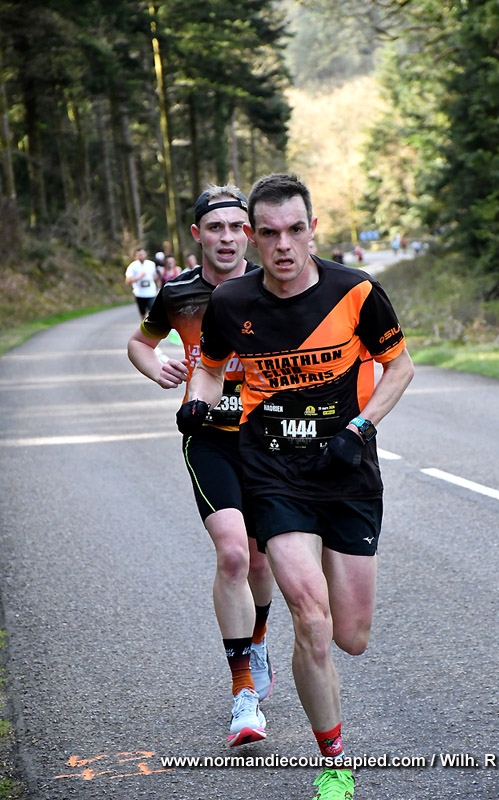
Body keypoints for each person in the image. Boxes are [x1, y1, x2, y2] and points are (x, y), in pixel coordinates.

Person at [181, 173, 414, 798]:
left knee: (350, 636)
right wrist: (198, 403)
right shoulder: (231, 303)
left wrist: (360, 427)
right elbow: (209, 371)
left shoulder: (356, 291)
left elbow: (399, 367)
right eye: (269, 233)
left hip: (347, 472)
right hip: (274, 474)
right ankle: (334, 764)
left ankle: (313, 666)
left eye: (294, 230)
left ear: (313, 229)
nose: (283, 245)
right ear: (253, 237)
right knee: (311, 617)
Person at [127, 184, 275, 748]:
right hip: (208, 438)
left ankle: (257, 642)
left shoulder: (271, 286)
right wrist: (157, 367)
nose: (228, 237)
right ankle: (243, 695)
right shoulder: (179, 292)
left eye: (238, 227)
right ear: (197, 234)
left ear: (250, 233)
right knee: (233, 553)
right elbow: (140, 343)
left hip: (267, 442)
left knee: (260, 561)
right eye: (216, 227)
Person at [124, 247, 159, 317]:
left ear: (145, 254)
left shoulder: (151, 264)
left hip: (151, 292)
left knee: (153, 311)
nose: (141, 256)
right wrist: (138, 277)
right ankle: (144, 323)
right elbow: (127, 281)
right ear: (135, 257)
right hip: (139, 293)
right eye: (139, 255)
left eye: (143, 254)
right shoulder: (132, 266)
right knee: (143, 313)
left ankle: (152, 323)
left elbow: (155, 277)